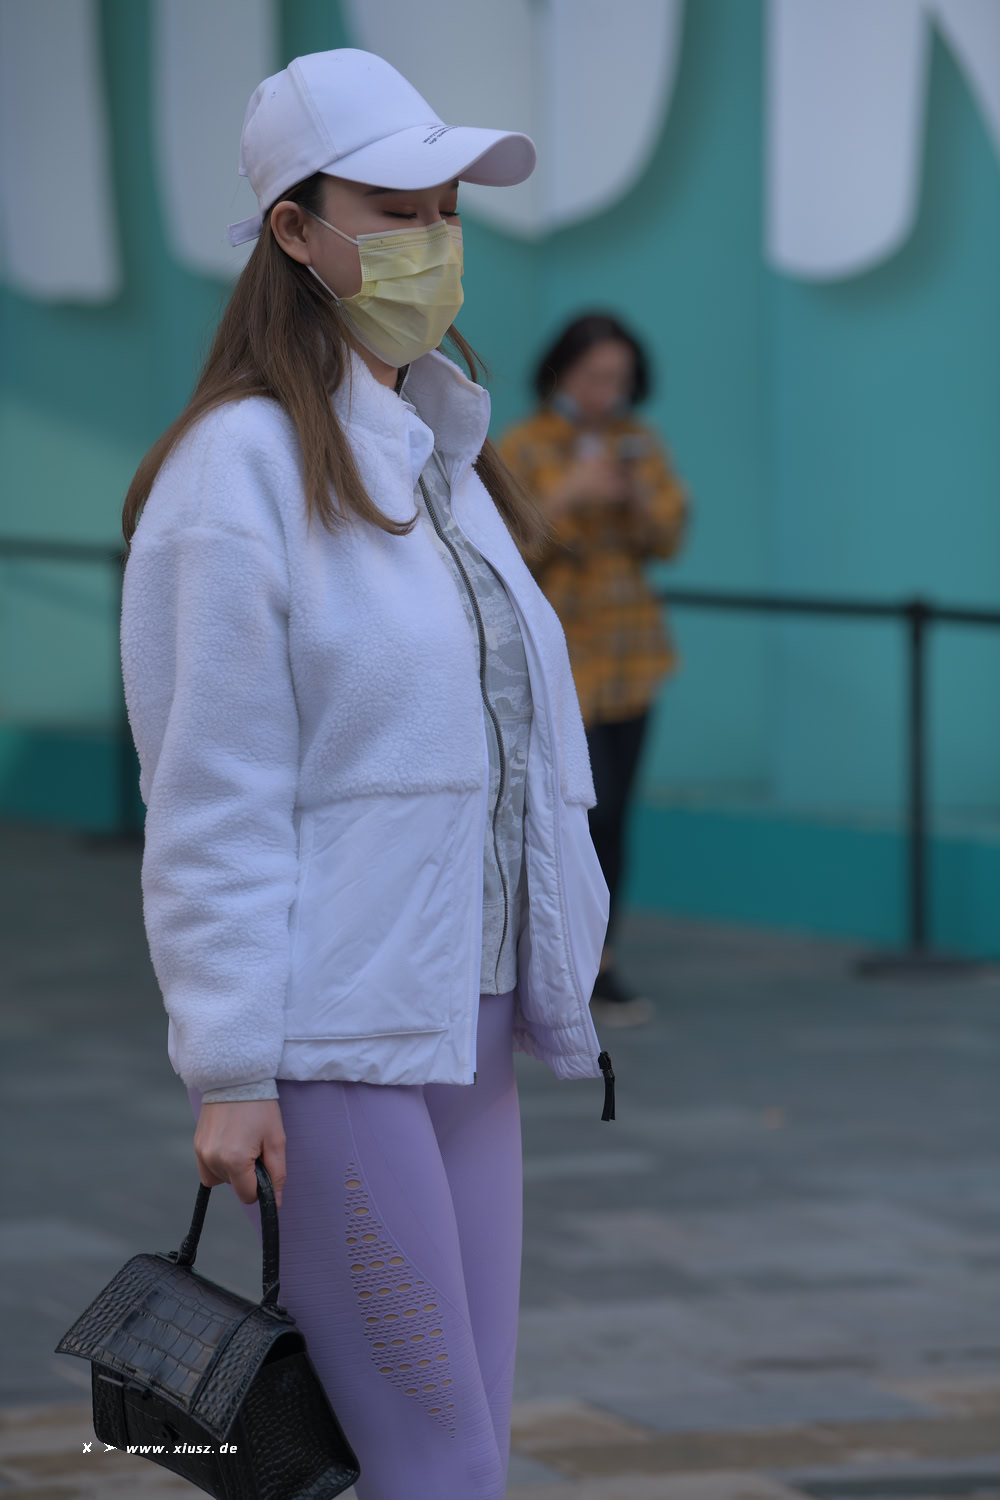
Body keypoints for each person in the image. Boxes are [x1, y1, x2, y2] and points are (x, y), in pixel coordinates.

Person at [118, 49, 615, 1500]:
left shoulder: (443, 454)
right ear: (294, 229)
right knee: (436, 1464)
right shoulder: (236, 472)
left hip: (464, 1027)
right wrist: (229, 1067)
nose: (433, 240)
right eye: (395, 210)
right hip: (334, 1047)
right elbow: (208, 793)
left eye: (446, 209)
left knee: (464, 1455)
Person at [498, 313, 689, 1029]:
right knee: (580, 809)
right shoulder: (522, 446)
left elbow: (669, 537)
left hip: (631, 655)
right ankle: (554, 958)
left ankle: (602, 961)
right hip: (560, 662)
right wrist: (569, 495)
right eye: (594, 376)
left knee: (617, 815)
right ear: (561, 371)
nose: (607, 393)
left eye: (620, 379)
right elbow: (505, 548)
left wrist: (635, 495)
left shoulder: (639, 444)